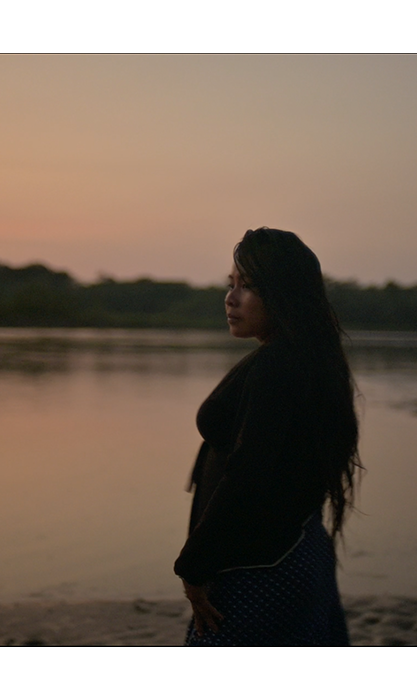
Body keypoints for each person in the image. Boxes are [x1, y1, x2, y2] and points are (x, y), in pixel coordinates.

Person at [173, 227, 362, 646]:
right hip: (294, 549)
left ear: (284, 295)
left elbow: (249, 476)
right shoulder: (305, 357)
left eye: (249, 287)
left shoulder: (279, 366)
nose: (231, 298)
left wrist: (194, 566)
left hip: (260, 566)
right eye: (231, 284)